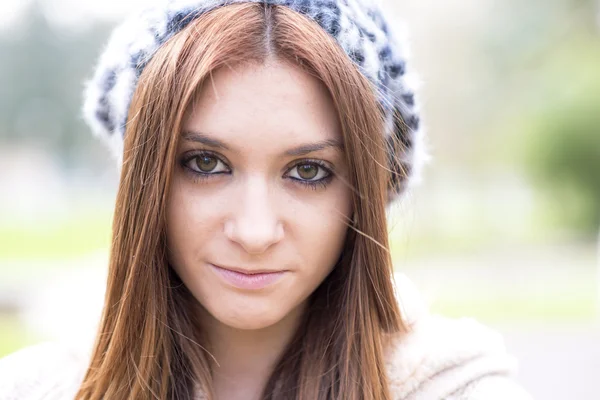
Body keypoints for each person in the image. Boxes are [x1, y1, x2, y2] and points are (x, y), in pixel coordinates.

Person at [0, 0, 533, 399]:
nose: (254, 232)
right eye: (205, 163)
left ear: (363, 196)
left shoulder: (456, 388)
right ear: (145, 181)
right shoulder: (36, 388)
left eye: (308, 171)